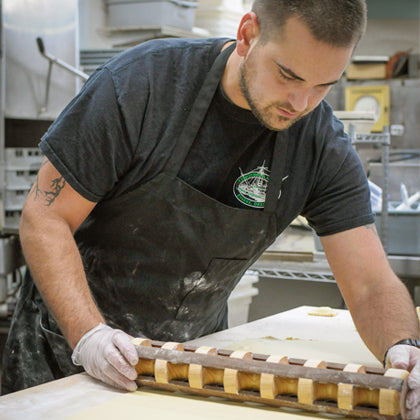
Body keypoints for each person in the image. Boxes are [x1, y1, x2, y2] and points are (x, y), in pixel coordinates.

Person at [2, 0, 419, 417]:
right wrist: (89, 336)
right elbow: (45, 218)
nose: (301, 102)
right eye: (287, 75)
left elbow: (369, 285)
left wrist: (404, 348)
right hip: (64, 361)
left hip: (187, 369)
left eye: (324, 84)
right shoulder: (140, 87)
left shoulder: (320, 147)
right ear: (247, 35)